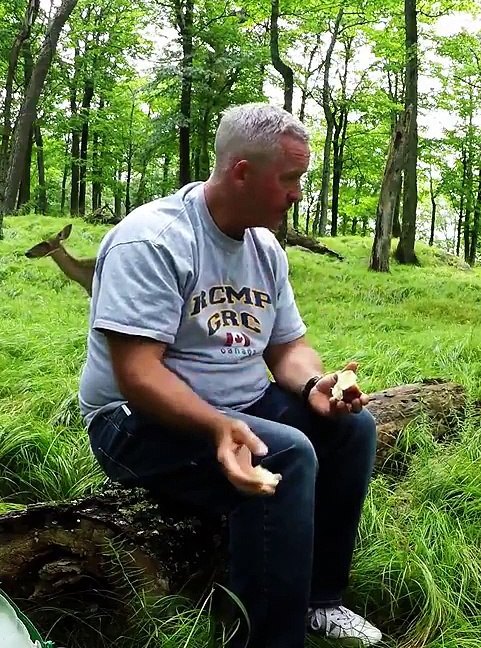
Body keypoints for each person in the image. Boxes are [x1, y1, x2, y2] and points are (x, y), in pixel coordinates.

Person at [77, 103, 383, 648]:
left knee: (352, 428)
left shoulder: (265, 247)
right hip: (132, 422)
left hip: (240, 405)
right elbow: (137, 375)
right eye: (289, 179)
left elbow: (287, 346)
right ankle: (267, 636)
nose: (297, 193)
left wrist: (317, 385)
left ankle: (320, 601)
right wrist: (220, 428)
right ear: (242, 171)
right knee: (286, 450)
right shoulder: (153, 240)